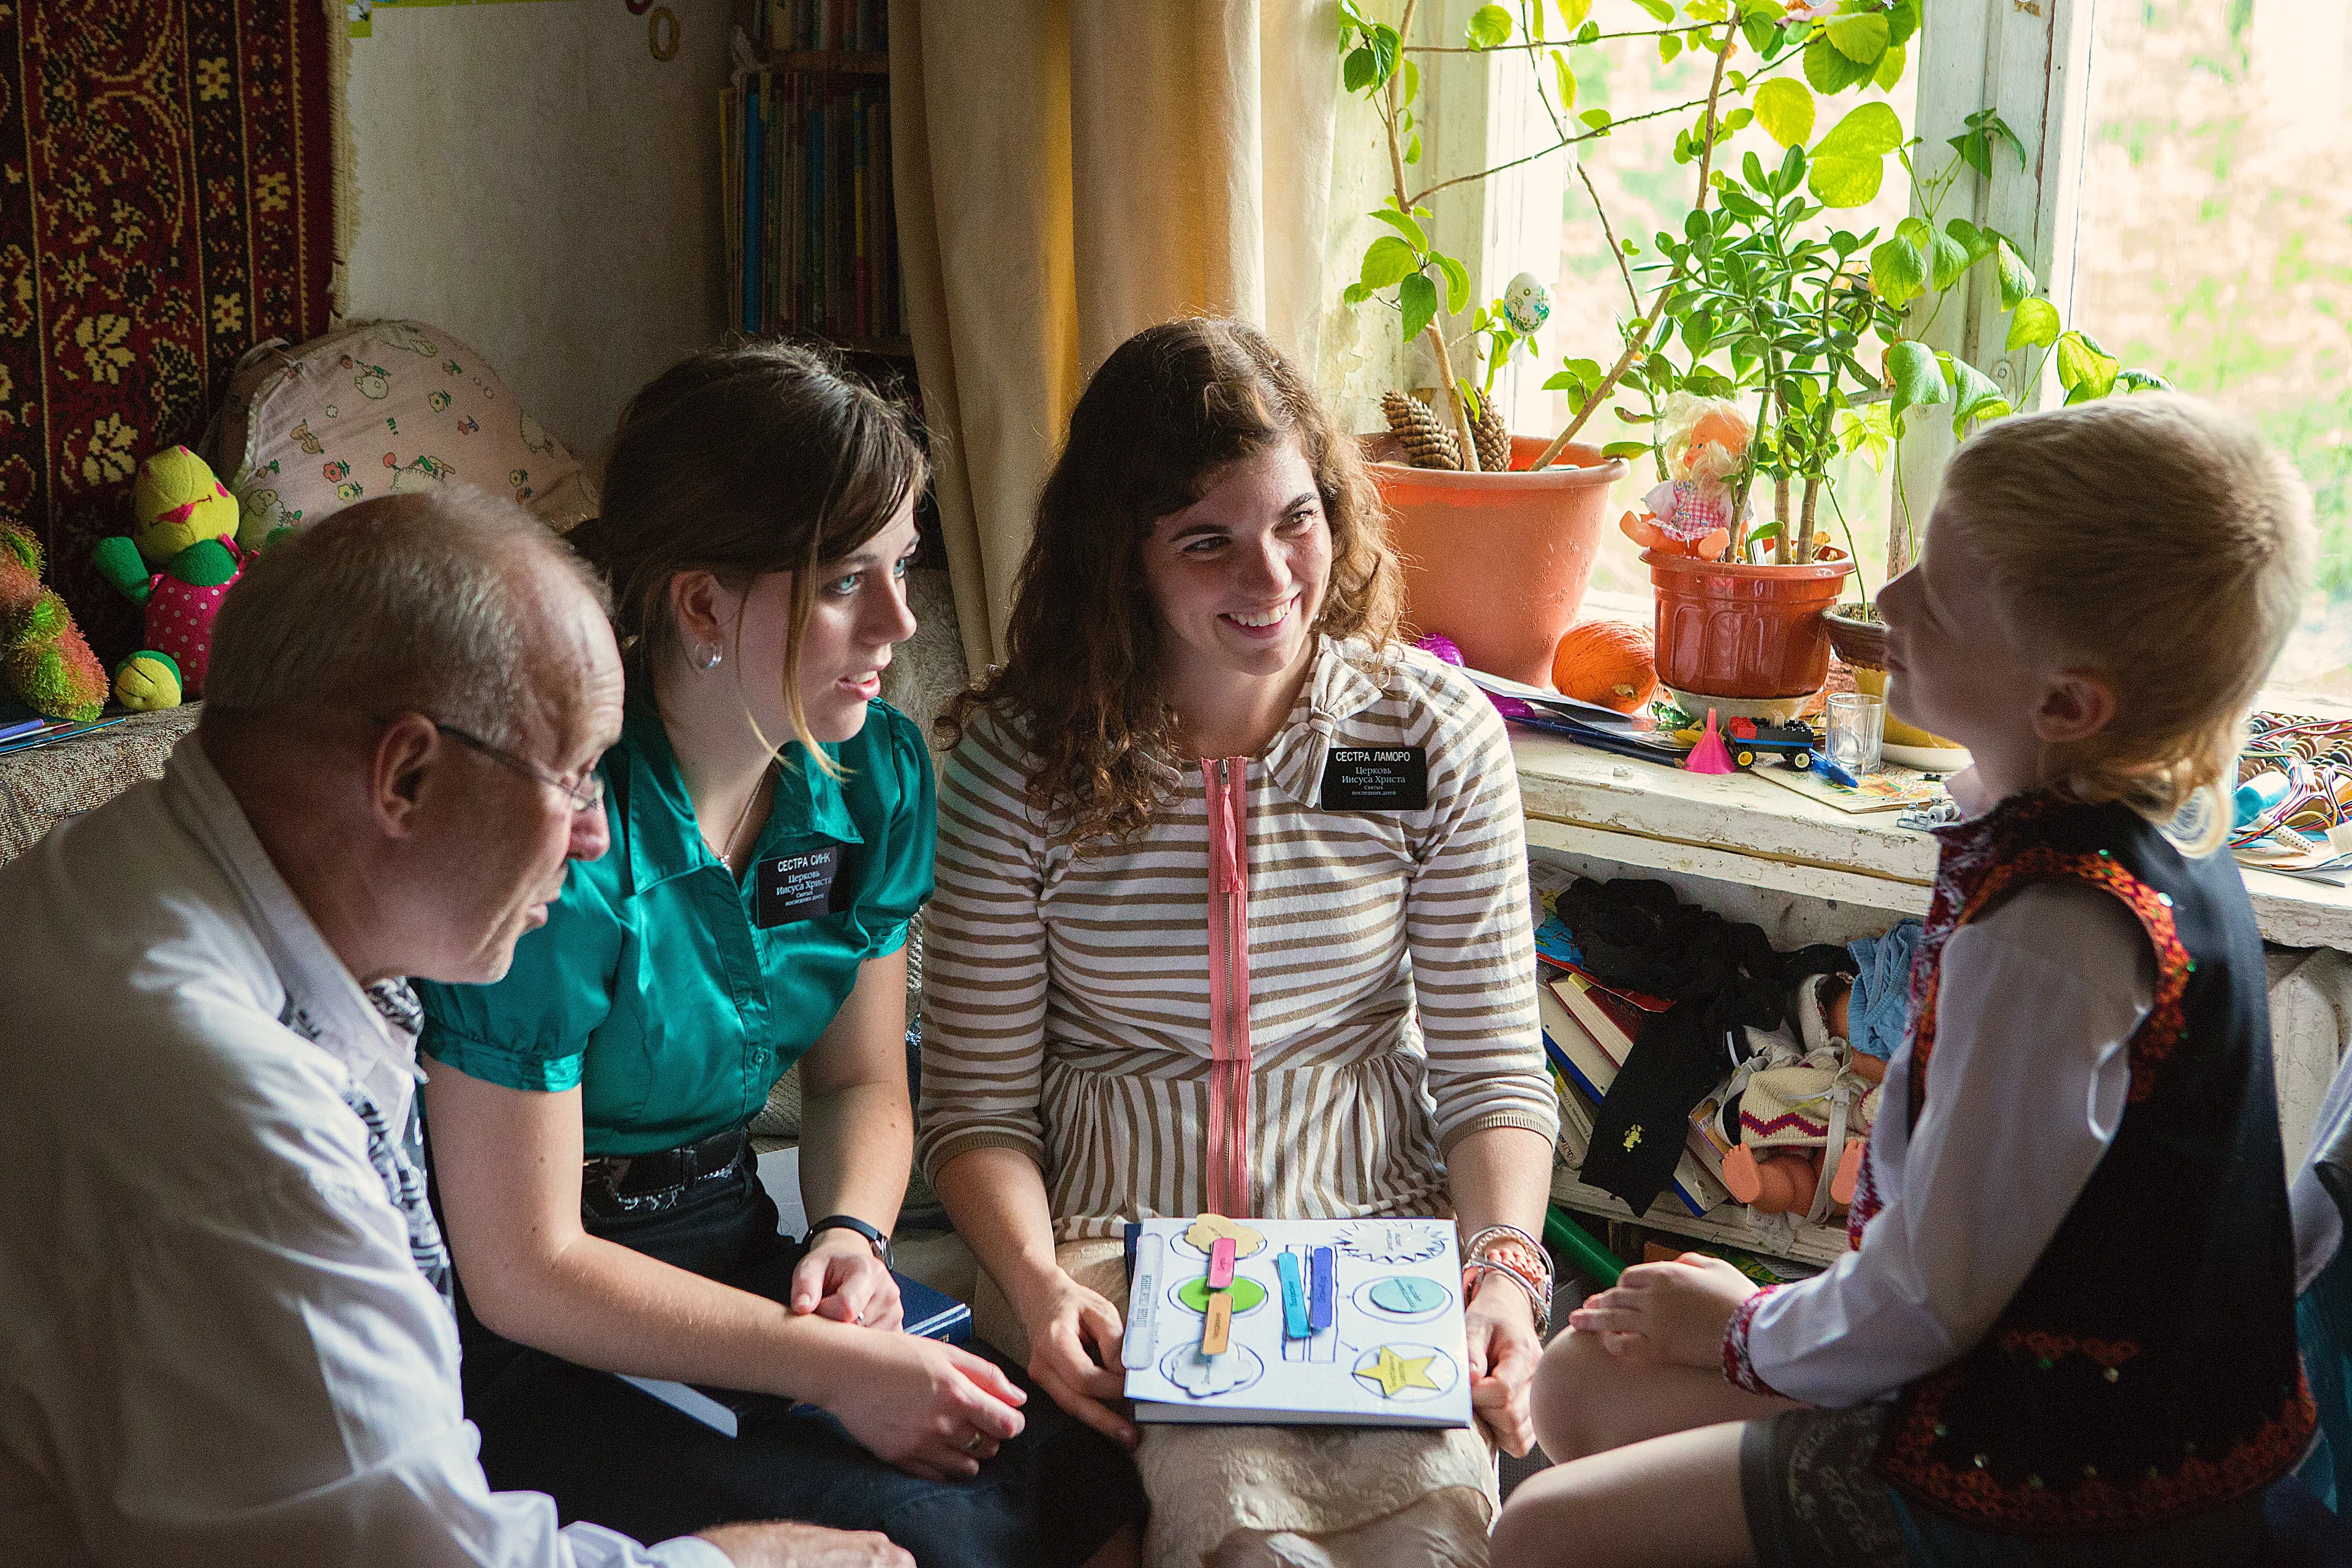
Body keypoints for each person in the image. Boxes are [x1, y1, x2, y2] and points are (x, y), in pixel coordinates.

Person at [0, 490, 909, 1566]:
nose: (593, 836)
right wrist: (750, 1562)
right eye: (573, 778)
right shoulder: (238, 1132)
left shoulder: (109, 871)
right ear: (407, 775)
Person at [1491, 394, 2320, 1568]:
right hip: (2088, 1409)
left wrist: (1747, 1329)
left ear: (2068, 704)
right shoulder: (2154, 825)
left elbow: (1932, 1302)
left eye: (1937, 588)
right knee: (1584, 1382)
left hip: (2065, 1480)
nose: (1886, 600)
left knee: (1540, 1533)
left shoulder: (2049, 935)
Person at [413, 342, 1145, 1568]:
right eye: (851, 581)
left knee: (1088, 1465)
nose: (903, 624)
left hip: (746, 1251)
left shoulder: (872, 775)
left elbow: (861, 1081)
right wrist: (840, 1365)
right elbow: (525, 1269)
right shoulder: (561, 830)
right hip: (556, 1332)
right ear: (701, 604)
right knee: (934, 1540)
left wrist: (850, 1239)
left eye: (903, 567)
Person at [918, 317, 1560, 1568]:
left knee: (1431, 1520)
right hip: (1112, 1240)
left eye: (1296, 521)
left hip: (1371, 1231)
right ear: (1124, 563)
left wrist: (1500, 1270)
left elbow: (1492, 1070)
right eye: (1207, 542)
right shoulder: (1021, 763)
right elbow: (977, 1109)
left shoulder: (1430, 739)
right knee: (1237, 1518)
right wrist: (1042, 1290)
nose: (1272, 581)